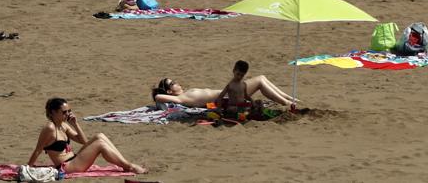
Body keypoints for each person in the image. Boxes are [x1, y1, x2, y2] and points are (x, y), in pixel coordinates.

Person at [28, 98, 148, 175]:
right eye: (64, 112)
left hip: (74, 159)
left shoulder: (63, 126)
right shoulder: (50, 128)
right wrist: (28, 168)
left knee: (99, 136)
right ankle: (129, 166)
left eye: (69, 111)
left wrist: (75, 124)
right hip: (66, 167)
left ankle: (127, 164)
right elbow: (38, 150)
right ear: (53, 112)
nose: (68, 114)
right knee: (100, 144)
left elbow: (83, 142)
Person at [152, 69, 296, 109]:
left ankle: (289, 99)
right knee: (259, 80)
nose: (177, 83)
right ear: (170, 91)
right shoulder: (181, 98)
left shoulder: (186, 94)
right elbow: (158, 97)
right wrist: (159, 92)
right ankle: (287, 103)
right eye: (173, 83)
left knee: (262, 78)